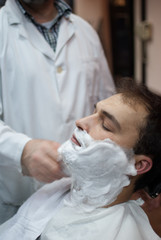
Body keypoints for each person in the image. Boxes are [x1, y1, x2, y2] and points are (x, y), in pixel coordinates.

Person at [0, 0, 115, 223]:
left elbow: (106, 105)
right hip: (17, 198)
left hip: (83, 194)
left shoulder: (84, 31)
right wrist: (21, 150)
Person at [0, 80, 160, 239]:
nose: (80, 122)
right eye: (94, 111)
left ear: (138, 164)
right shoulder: (53, 192)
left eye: (105, 125)